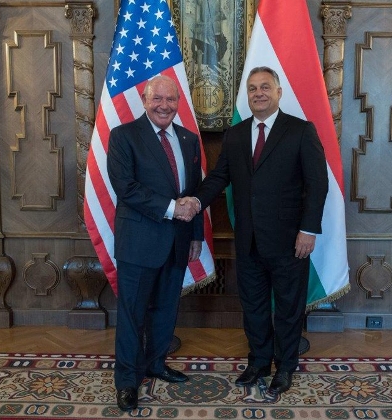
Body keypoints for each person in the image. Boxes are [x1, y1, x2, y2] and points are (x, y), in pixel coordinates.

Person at [179, 66, 328, 396]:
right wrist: (196, 201)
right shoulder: (235, 134)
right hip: (247, 240)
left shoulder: (300, 130)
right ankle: (259, 361)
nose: (258, 93)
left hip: (290, 241)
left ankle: (285, 366)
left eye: (265, 87)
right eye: (252, 88)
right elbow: (220, 177)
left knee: (288, 309)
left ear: (278, 92)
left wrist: (308, 229)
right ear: (247, 95)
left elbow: (317, 185)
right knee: (254, 306)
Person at [107, 75, 203, 411]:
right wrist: (173, 208)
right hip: (138, 242)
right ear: (145, 100)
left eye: (170, 99)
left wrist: (196, 234)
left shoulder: (189, 139)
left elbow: (194, 191)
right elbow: (126, 188)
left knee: (165, 310)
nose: (164, 105)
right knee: (132, 315)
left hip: (178, 241)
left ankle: (156, 364)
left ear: (178, 102)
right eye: (157, 99)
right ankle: (127, 380)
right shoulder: (123, 136)